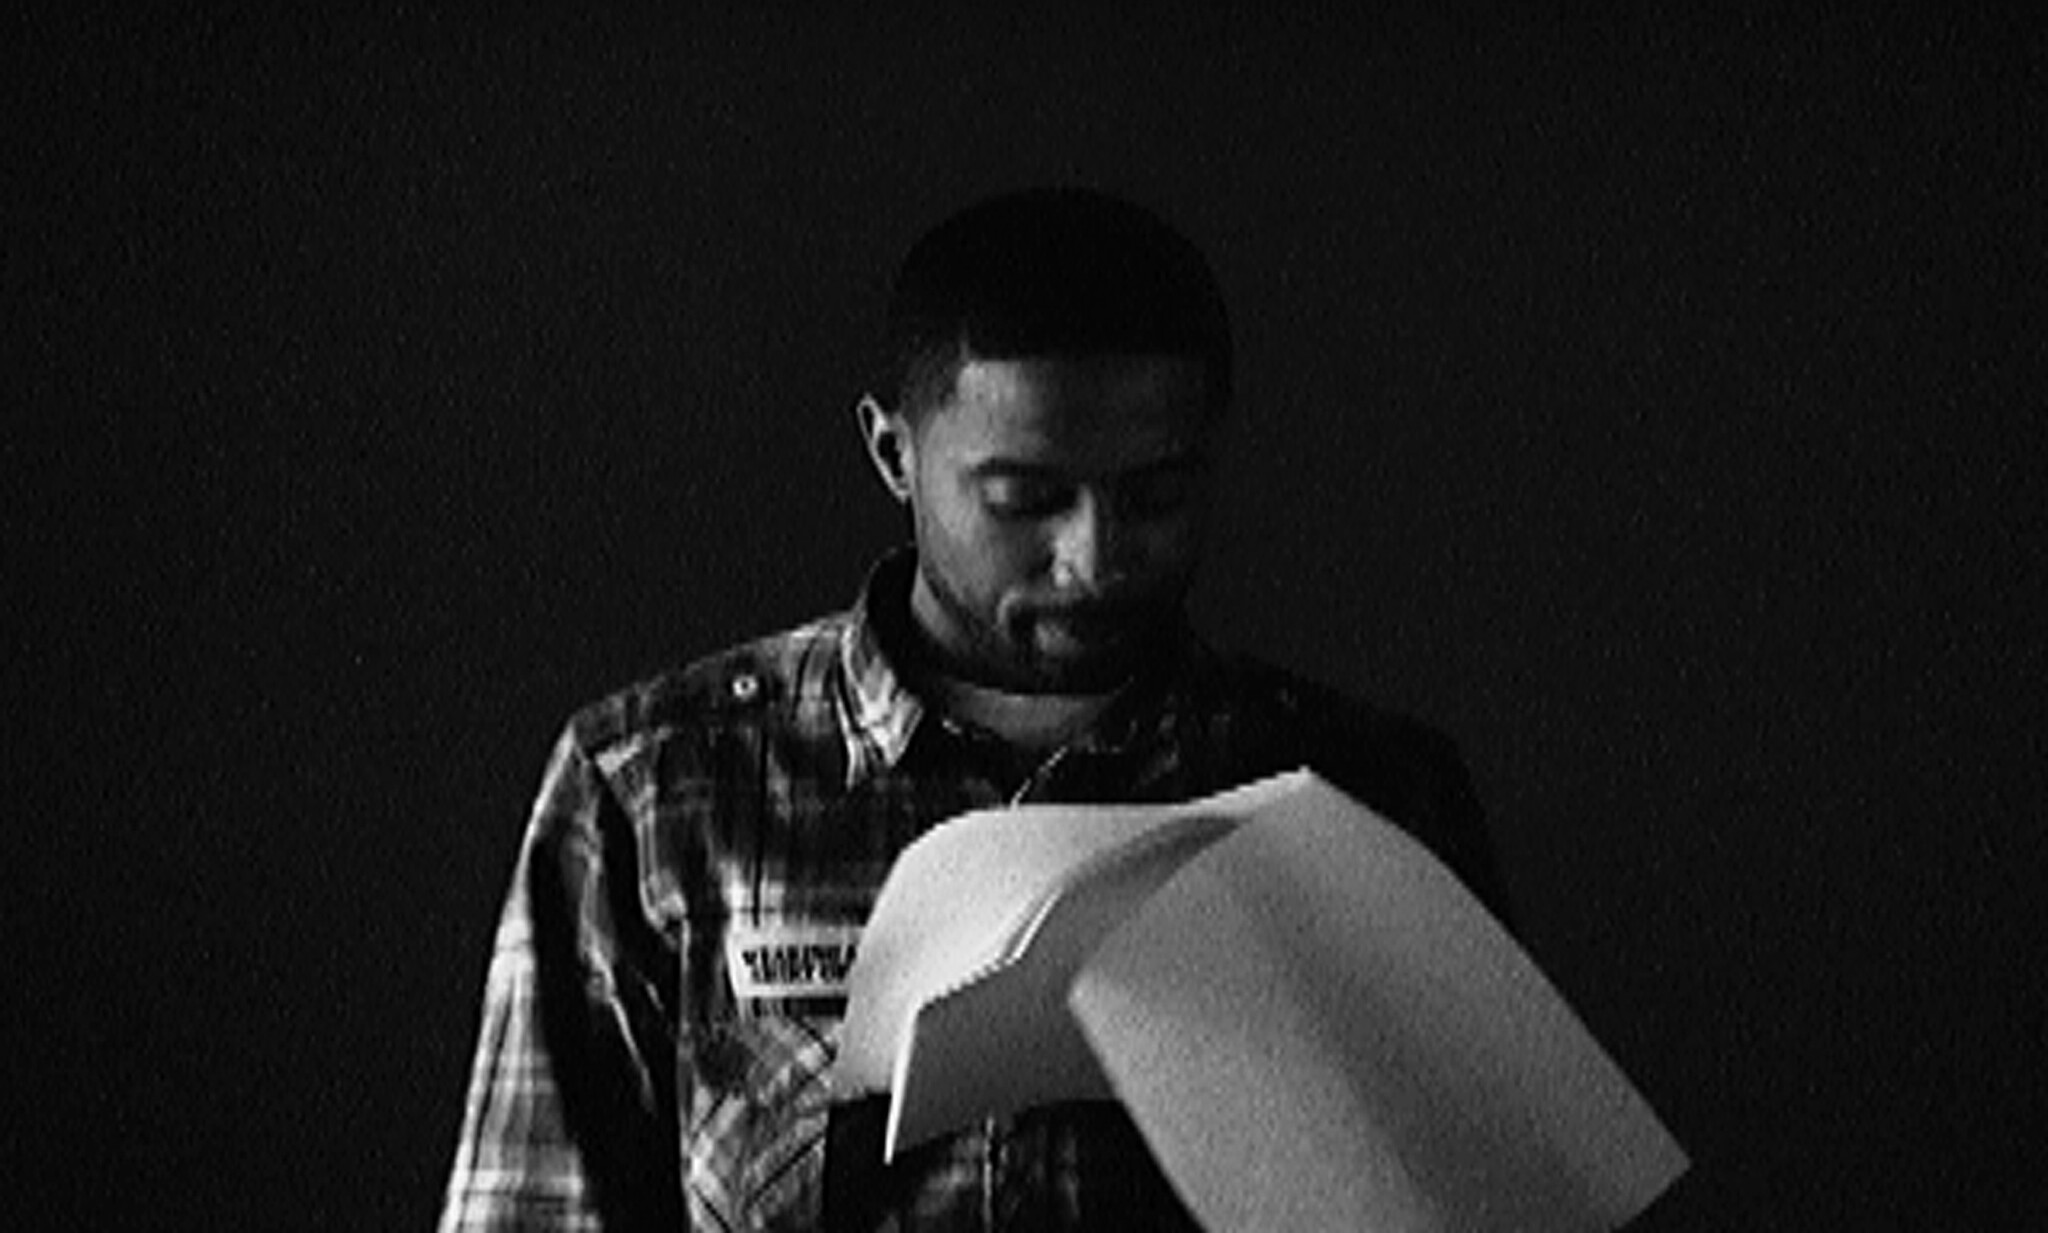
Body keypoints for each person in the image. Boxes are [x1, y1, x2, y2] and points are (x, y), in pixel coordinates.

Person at [438, 187, 1514, 1231]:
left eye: (1154, 496)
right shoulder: (654, 791)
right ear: (893, 456)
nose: (1092, 558)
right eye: (1025, 500)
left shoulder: (1372, 795)